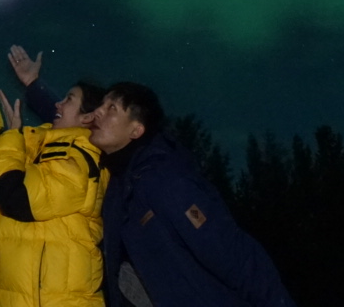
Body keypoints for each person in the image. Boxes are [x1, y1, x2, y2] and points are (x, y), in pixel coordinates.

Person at [87, 82, 296, 307]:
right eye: (101, 104)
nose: (98, 111)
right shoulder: (119, 189)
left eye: (112, 108)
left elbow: (231, 253)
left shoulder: (162, 179)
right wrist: (41, 90)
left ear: (136, 130)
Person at [0, 46, 109, 307]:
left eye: (68, 99)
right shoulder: (42, 139)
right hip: (14, 295)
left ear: (87, 117)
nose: (57, 104)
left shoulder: (85, 161)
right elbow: (1, 155)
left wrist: (13, 136)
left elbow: (18, 197)